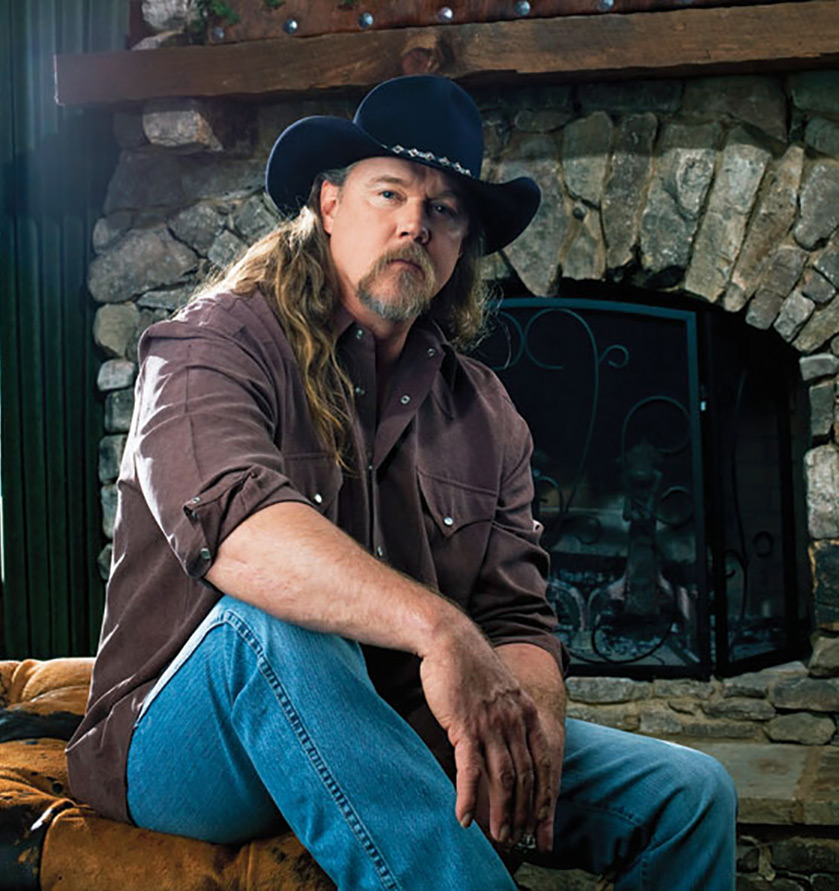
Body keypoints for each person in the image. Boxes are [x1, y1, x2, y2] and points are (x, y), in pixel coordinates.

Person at [67, 75, 737, 890]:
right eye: (389, 192)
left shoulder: (485, 410)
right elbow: (239, 531)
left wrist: (533, 712)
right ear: (328, 203)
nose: (415, 223)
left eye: (444, 210)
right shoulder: (211, 344)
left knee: (689, 793)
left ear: (459, 247)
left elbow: (517, 615)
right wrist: (438, 629)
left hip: (391, 727)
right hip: (181, 745)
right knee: (271, 626)